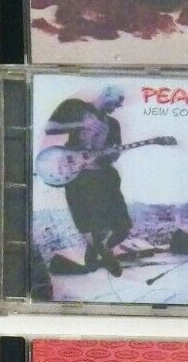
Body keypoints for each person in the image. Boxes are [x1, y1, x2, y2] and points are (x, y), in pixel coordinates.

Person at [43, 86, 133, 276]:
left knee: (123, 226)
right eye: (118, 100)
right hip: (78, 177)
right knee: (89, 224)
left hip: (104, 177)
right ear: (108, 93)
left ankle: (99, 248)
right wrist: (81, 125)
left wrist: (113, 154)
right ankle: (102, 252)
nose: (119, 106)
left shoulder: (113, 124)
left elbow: (113, 154)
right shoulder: (76, 107)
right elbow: (50, 127)